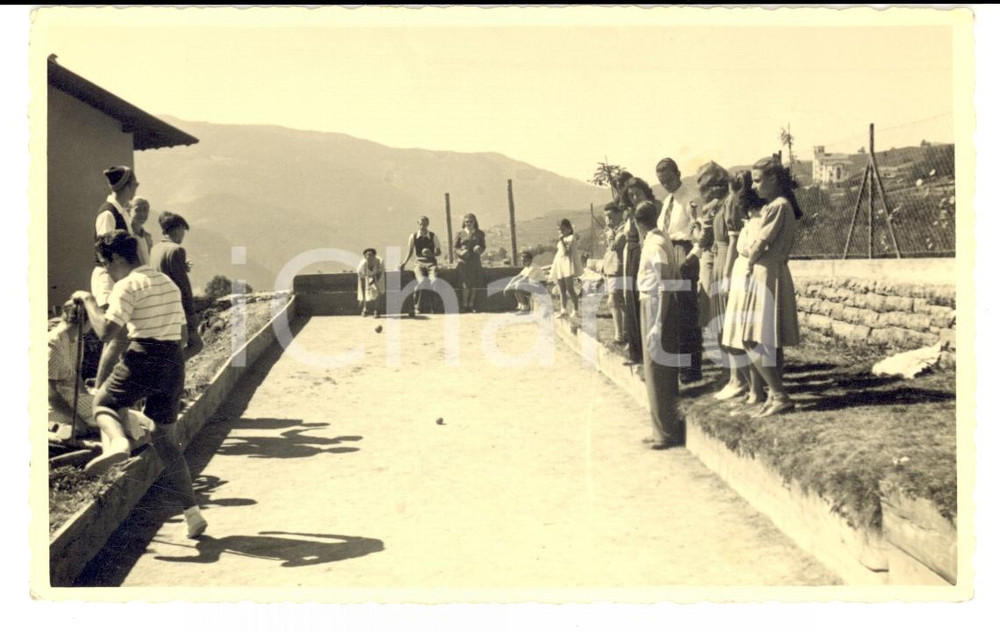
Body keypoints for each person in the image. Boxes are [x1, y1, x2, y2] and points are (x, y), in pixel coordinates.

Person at [73, 230, 208, 539]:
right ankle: (192, 514)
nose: (106, 270)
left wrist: (89, 299)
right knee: (166, 441)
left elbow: (107, 333)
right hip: (173, 360)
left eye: (105, 263)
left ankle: (119, 443)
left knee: (102, 403)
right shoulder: (168, 283)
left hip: (143, 354)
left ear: (117, 259)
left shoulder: (127, 285)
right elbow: (184, 336)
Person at [736, 157, 803, 418]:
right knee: (770, 340)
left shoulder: (777, 206)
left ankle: (779, 395)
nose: (753, 186)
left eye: (757, 180)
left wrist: (747, 257)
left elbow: (759, 245)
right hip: (772, 272)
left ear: (773, 179)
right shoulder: (780, 206)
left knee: (750, 339)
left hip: (766, 274)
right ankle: (776, 395)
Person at [634, 200, 684, 450]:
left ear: (637, 223)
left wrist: (657, 323)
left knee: (657, 369)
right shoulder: (661, 239)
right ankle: (663, 429)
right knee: (659, 368)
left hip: (655, 304)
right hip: (656, 303)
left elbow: (665, 283)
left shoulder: (654, 245)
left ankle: (665, 434)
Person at [713, 171, 761, 402]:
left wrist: (726, 275)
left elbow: (733, 242)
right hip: (732, 263)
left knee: (735, 329)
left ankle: (740, 381)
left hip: (733, 264)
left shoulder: (734, 204)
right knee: (731, 329)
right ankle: (741, 382)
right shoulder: (731, 204)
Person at [92, 166, 140, 389]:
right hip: (109, 278)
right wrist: (121, 282)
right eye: (134, 182)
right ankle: (101, 390)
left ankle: (107, 387)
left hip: (119, 278)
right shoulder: (108, 214)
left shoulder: (121, 212)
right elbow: (106, 252)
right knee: (119, 335)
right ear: (126, 186)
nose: (136, 186)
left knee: (119, 336)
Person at [656, 157, 702, 383]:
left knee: (686, 312)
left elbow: (699, 231)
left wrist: (692, 257)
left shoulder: (690, 198)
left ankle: (691, 368)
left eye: (669, 179)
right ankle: (678, 363)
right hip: (669, 253)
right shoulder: (668, 201)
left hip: (684, 254)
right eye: (662, 181)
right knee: (673, 311)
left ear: (679, 174)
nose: (666, 184)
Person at [149, 211, 204, 361]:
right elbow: (183, 286)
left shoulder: (155, 249)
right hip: (177, 308)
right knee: (196, 344)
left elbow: (164, 270)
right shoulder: (177, 250)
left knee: (171, 347)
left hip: (159, 307)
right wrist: (191, 313)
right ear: (178, 228)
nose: (183, 235)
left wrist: (181, 267)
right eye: (183, 230)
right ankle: (168, 369)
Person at [621, 177, 662, 364]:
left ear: (645, 191)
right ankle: (636, 353)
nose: (635, 197)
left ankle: (650, 353)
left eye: (637, 193)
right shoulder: (631, 213)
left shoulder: (654, 207)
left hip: (647, 253)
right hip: (632, 256)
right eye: (631, 195)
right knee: (631, 301)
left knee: (646, 301)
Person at [399, 216, 442, 315]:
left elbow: (439, 252)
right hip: (419, 262)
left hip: (431, 262)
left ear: (428, 224)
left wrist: (431, 254)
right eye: (421, 224)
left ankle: (432, 306)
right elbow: (409, 252)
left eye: (424, 224)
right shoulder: (413, 236)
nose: (422, 226)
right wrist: (404, 263)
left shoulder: (433, 236)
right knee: (422, 281)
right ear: (418, 224)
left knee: (434, 281)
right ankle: (417, 307)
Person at [600, 202, 627, 344]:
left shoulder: (624, 228)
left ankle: (619, 336)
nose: (608, 220)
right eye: (606, 217)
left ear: (619, 214)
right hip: (610, 268)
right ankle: (626, 332)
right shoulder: (612, 230)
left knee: (613, 300)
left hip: (619, 268)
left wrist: (610, 235)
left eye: (610, 217)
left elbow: (615, 246)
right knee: (620, 302)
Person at [548, 218, 584, 318]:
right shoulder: (562, 240)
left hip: (567, 264)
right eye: (559, 230)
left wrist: (561, 240)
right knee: (561, 289)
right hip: (560, 264)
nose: (560, 232)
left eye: (563, 229)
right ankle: (563, 310)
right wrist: (561, 241)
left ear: (569, 229)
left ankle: (576, 310)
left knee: (570, 288)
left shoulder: (571, 238)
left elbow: (566, 252)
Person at [454, 213, 487, 313]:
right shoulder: (459, 233)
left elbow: (483, 246)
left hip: (475, 261)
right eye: (466, 222)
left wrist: (479, 249)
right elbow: (455, 248)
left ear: (475, 222)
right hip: (463, 262)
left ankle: (471, 305)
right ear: (464, 222)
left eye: (471, 221)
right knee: (465, 284)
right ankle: (465, 305)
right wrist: (461, 253)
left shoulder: (480, 233)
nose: (468, 223)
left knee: (474, 284)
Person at [356, 247, 385, 317]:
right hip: (366, 276)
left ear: (374, 256)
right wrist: (366, 289)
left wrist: (372, 283)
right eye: (367, 256)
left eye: (371, 255)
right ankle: (365, 308)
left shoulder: (380, 262)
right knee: (364, 291)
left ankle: (376, 310)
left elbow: (378, 276)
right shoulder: (361, 266)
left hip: (377, 276)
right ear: (365, 257)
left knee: (378, 289)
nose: (369, 258)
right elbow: (362, 281)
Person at [129, 196, 154, 265]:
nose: (142, 214)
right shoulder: (125, 235)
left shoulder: (148, 237)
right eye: (138, 210)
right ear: (129, 211)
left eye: (145, 210)